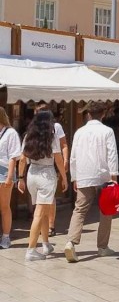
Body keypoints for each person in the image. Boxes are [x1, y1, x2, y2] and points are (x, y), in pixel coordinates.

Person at [63, 101, 119, 263]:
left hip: (84, 174)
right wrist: (114, 177)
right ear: (103, 114)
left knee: (79, 209)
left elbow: (73, 156)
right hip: (104, 175)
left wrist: (74, 177)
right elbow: (112, 155)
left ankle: (70, 242)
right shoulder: (107, 131)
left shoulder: (79, 132)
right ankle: (102, 247)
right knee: (106, 210)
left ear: (88, 114)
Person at [18, 111, 67, 261]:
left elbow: (21, 159)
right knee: (39, 214)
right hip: (47, 175)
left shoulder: (28, 136)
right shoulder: (51, 137)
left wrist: (21, 178)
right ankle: (31, 250)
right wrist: (64, 177)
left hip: (32, 174)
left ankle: (46, 244)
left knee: (43, 211)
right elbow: (58, 159)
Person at [35, 101, 67, 238]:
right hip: (37, 165)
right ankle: (41, 222)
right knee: (40, 197)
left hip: (52, 163)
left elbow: (63, 144)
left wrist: (66, 161)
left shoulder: (56, 126)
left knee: (50, 195)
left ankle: (51, 224)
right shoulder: (34, 127)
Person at [0, 108, 22, 249]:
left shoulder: (11, 133)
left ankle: (6, 237)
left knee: (4, 206)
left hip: (4, 172)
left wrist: (9, 177)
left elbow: (14, 156)